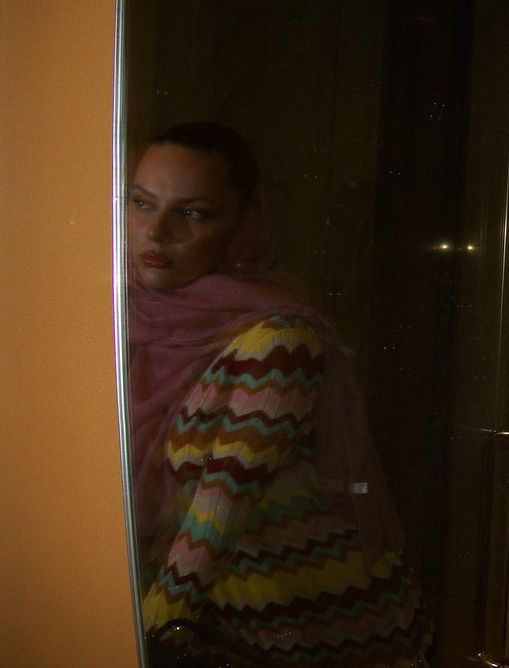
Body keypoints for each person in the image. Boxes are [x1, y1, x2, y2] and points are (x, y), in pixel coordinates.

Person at [129, 122, 430, 666]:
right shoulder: (129, 321)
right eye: (142, 203)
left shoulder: (278, 343)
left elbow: (215, 519)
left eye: (192, 213)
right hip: (215, 630)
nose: (156, 231)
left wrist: (136, 634)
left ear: (242, 224)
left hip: (316, 629)